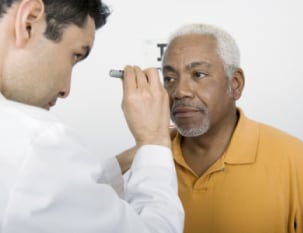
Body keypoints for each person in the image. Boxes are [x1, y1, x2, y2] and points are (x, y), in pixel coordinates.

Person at [0, 0, 183, 232]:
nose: (66, 90)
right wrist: (154, 142)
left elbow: (57, 192)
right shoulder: (35, 144)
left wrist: (137, 155)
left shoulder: (25, 154)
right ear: (29, 22)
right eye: (75, 55)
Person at [160, 23, 303, 233]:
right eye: (169, 79)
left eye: (198, 75)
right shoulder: (148, 163)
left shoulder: (293, 158)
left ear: (236, 84)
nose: (179, 91)